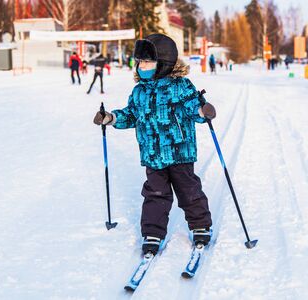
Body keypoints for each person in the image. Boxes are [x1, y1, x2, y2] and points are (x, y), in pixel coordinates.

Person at [93, 34, 216, 255]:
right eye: (139, 62)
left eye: (147, 62)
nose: (141, 66)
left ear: (164, 63)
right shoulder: (139, 91)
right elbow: (131, 115)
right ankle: (152, 233)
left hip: (180, 152)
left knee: (189, 191)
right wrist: (111, 118)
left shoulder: (180, 86)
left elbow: (192, 106)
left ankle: (200, 226)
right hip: (152, 154)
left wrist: (202, 111)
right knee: (155, 195)